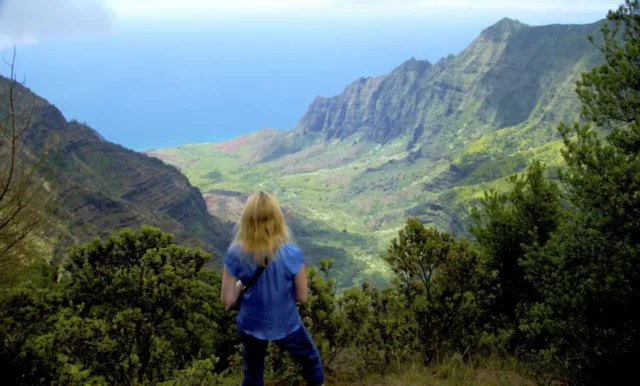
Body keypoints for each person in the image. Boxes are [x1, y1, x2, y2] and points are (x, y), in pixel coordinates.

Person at [221, 191, 325, 386]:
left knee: (252, 372)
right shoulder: (291, 253)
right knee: (310, 360)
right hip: (286, 323)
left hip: (251, 324)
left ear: (247, 220)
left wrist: (241, 284)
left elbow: (227, 301)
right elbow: (302, 297)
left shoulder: (235, 254)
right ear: (277, 218)